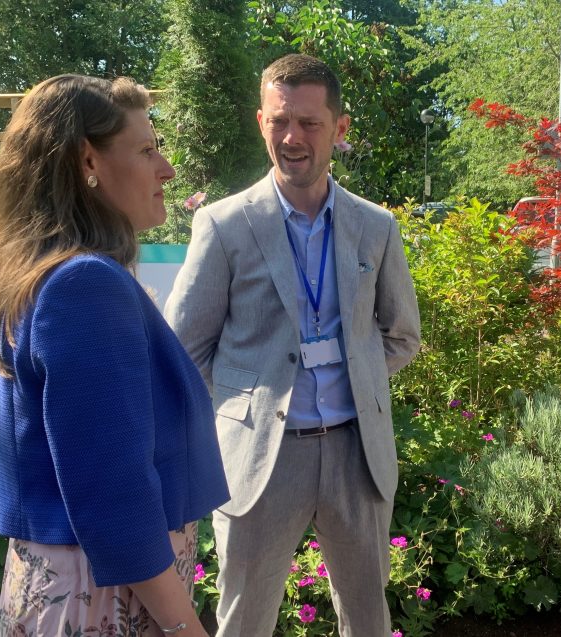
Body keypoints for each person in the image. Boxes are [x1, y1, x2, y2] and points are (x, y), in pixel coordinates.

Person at [164, 53, 420, 636]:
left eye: (309, 123)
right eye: (280, 121)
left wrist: (357, 374)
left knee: (368, 620)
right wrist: (243, 407)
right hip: (260, 461)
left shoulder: (375, 227)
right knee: (244, 620)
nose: (292, 137)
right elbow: (184, 348)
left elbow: (401, 335)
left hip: (357, 456)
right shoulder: (225, 226)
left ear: (340, 128)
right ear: (261, 121)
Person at [0, 74, 229, 637]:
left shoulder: (39, 275)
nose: (166, 169)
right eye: (146, 150)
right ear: (88, 162)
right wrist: (185, 628)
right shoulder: (85, 284)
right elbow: (112, 490)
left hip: (72, 587)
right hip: (103, 598)